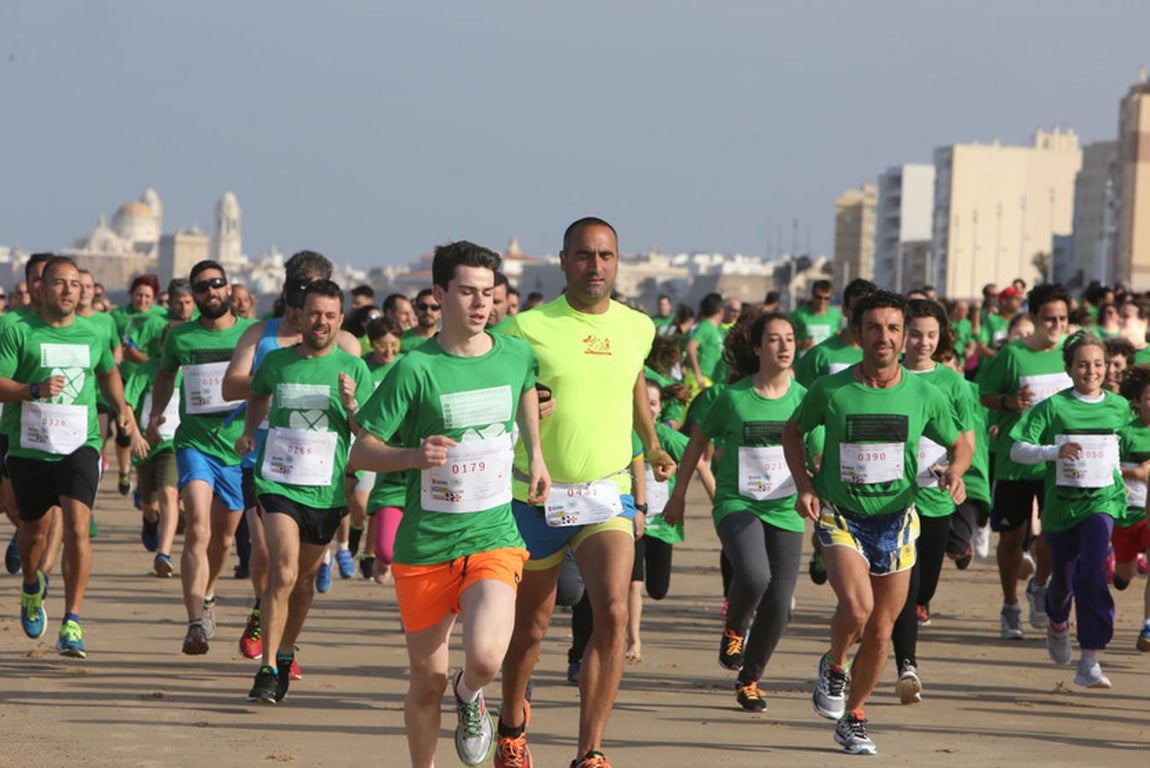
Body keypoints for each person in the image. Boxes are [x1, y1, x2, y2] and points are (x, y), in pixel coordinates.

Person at [349, 240, 549, 768]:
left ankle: (472, 693)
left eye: (489, 293)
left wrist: (538, 456)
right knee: (426, 681)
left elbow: (526, 388)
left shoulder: (514, 353)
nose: (482, 304)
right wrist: (414, 455)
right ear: (439, 295)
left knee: (485, 657)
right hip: (427, 544)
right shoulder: (415, 368)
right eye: (468, 292)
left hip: (493, 537)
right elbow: (361, 450)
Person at [495, 217, 675, 768]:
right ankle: (511, 722)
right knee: (531, 627)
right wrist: (524, 404)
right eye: (582, 256)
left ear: (617, 261)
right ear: (563, 259)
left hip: (607, 492)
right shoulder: (525, 328)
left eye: (605, 256)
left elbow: (632, 393)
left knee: (614, 612)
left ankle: (589, 750)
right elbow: (496, 395)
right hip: (537, 495)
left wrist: (653, 443)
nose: (594, 267)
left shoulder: (637, 327)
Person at [782, 289, 971, 755]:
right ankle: (834, 663)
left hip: (898, 519)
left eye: (892, 328)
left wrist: (955, 471)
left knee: (883, 630)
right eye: (873, 328)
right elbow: (792, 430)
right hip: (841, 514)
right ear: (857, 333)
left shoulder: (925, 393)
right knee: (858, 608)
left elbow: (961, 441)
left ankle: (855, 716)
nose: (883, 337)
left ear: (905, 337)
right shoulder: (832, 389)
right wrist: (804, 483)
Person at [0, 255, 147, 657]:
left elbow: (107, 371)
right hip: (30, 444)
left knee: (79, 527)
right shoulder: (16, 329)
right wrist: (33, 390)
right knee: (33, 533)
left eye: (75, 284)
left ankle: (73, 622)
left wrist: (122, 408)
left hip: (80, 443)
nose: (69, 291)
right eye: (59, 284)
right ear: (40, 289)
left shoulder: (94, 331)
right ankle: (32, 586)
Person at [221, 250, 363, 663]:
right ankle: (266, 623)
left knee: (298, 577)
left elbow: (360, 410)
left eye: (313, 296)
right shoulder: (261, 335)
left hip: (322, 472)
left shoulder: (347, 344)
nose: (305, 307)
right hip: (265, 461)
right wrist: (282, 380)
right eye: (298, 294)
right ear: (286, 293)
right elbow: (232, 387)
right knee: (267, 556)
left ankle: (280, 634)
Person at [665, 311, 808, 713]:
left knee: (780, 602)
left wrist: (818, 490)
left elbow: (818, 450)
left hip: (785, 507)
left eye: (790, 339)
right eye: (775, 340)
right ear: (758, 347)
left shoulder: (804, 399)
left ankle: (750, 680)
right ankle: (735, 626)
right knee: (753, 574)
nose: (783, 347)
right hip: (737, 502)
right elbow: (696, 443)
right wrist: (678, 495)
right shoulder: (733, 398)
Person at [240, 280, 374, 703]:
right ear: (300, 315)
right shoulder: (277, 362)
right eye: (314, 313)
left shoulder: (353, 368)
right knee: (281, 571)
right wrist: (248, 432)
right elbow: (258, 396)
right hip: (277, 482)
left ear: (340, 319)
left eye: (330, 315)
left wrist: (352, 405)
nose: (321, 322)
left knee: (303, 583)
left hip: (326, 489)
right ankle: (265, 669)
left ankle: (283, 653)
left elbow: (368, 433)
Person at [147, 260, 254, 655]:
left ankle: (208, 595)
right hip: (195, 445)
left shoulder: (250, 336)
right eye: (202, 288)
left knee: (224, 539)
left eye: (217, 284)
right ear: (193, 296)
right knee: (198, 527)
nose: (211, 292)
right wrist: (157, 414)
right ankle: (194, 623)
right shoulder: (180, 337)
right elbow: (163, 374)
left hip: (238, 450)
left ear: (228, 289)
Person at [1009, 331, 1127, 688]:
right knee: (1064, 580)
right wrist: (1051, 452)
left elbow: (1134, 443)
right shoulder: (1053, 407)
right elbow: (1016, 448)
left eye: (1097, 364)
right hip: (1061, 507)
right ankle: (1057, 622)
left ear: (1107, 368)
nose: (1090, 371)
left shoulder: (1120, 407)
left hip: (1102, 502)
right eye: (1082, 364)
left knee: (1093, 572)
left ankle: (1090, 658)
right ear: (1069, 368)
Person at [888, 299, 978, 704]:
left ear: (941, 338)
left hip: (937, 501)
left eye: (931, 335)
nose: (923, 342)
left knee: (924, 589)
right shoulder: (887, 377)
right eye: (916, 333)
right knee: (907, 586)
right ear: (901, 334)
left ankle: (897, 628)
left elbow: (967, 442)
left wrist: (955, 472)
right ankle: (907, 665)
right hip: (891, 501)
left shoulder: (955, 384)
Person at [978, 283, 1072, 640]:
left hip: (1058, 463)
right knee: (1012, 539)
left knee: (1054, 535)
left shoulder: (1070, 353)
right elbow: (984, 394)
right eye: (1050, 319)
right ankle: (1010, 605)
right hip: (1016, 461)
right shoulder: (1013, 355)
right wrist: (1008, 401)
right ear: (1033, 319)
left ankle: (1040, 585)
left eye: (1063, 319)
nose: (1057, 325)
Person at [1117, 365, 1150, 651]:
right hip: (1128, 513)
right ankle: (1120, 572)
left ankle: (1148, 626)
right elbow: (1108, 466)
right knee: (1125, 573)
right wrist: (1135, 475)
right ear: (1137, 402)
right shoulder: (1126, 433)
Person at [684, 293, 723, 392]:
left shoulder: (714, 328)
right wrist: (698, 375)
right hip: (700, 379)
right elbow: (690, 347)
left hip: (708, 378)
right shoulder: (705, 326)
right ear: (721, 310)